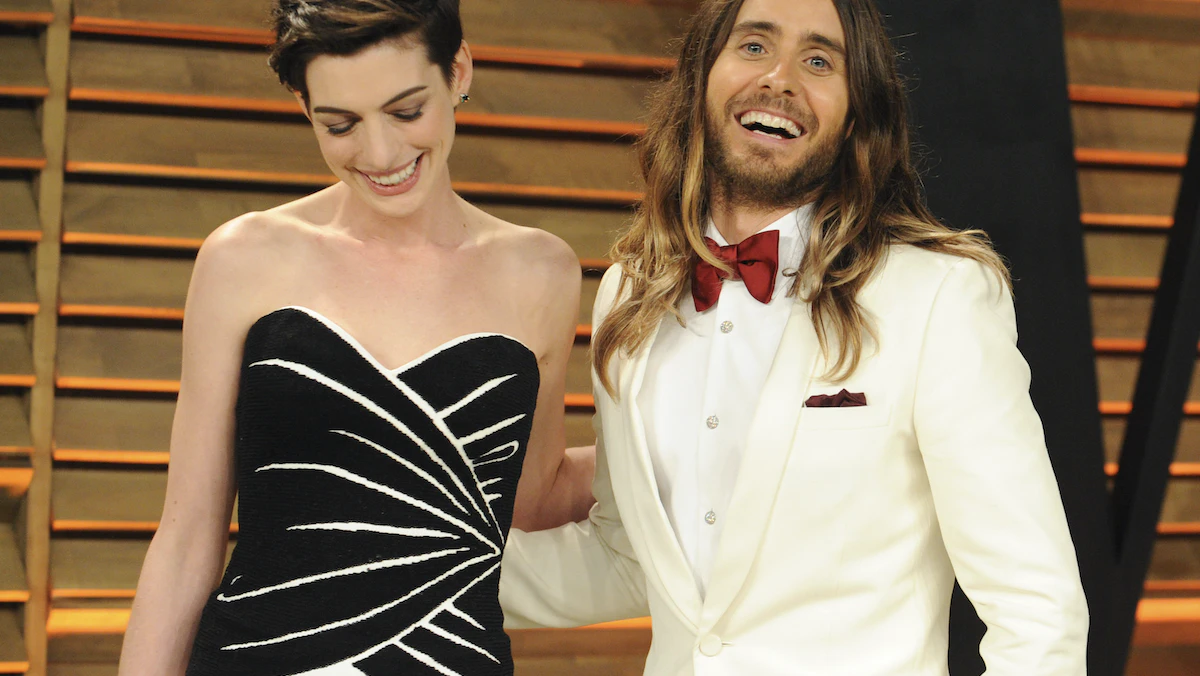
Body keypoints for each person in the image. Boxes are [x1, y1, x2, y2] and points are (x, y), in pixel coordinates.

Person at [498, 0, 1089, 673]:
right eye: (754, 46)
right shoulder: (628, 294)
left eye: (818, 61)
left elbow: (1035, 608)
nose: (780, 79)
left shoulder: (936, 296)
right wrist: (416, 572)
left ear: (856, 114)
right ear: (701, 77)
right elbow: (630, 557)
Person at [116, 1, 593, 674]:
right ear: (303, 105)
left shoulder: (541, 271)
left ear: (458, 71)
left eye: (406, 111)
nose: (380, 154)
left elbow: (533, 496)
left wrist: (701, 446)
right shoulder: (244, 259)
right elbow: (187, 535)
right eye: (339, 124)